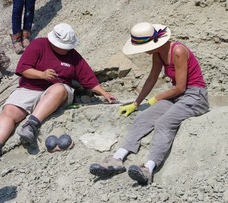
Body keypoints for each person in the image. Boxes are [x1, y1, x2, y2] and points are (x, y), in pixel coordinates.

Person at [0, 23, 117, 167]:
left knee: (58, 88)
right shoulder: (39, 45)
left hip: (58, 91)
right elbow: (23, 69)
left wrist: (104, 93)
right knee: (9, 110)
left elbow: (88, 78)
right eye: (62, 46)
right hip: (30, 87)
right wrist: (42, 74)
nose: (65, 49)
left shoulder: (73, 56)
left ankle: (31, 125)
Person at [89, 22, 209, 186]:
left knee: (164, 122)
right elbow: (152, 78)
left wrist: (156, 98)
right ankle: (117, 159)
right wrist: (137, 103)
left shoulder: (178, 51)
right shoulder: (158, 54)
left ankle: (148, 169)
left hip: (195, 96)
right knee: (144, 117)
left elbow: (181, 87)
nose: (142, 51)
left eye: (143, 47)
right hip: (177, 95)